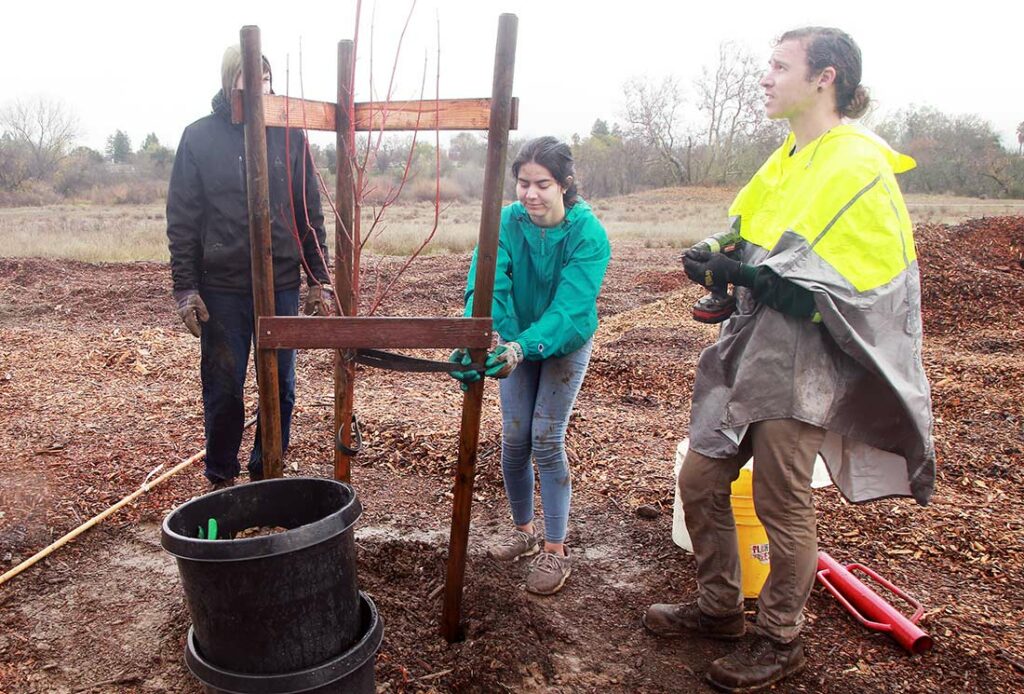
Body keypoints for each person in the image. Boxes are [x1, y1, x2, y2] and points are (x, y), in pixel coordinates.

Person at [643, 27, 935, 692]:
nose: (766, 77)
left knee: (781, 500)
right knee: (699, 480)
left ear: (825, 76)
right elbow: (751, 234)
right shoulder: (788, 158)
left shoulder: (857, 164)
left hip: (806, 363)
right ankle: (720, 609)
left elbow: (855, 294)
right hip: (751, 349)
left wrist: (749, 278)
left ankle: (781, 638)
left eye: (780, 66)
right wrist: (715, 249)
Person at [449, 136, 611, 595]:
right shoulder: (506, 223)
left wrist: (522, 348)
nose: (530, 194)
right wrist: (473, 336)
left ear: (564, 185)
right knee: (515, 436)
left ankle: (556, 550)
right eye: (523, 183)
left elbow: (571, 309)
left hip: (564, 343)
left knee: (545, 435)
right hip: (514, 342)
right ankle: (523, 532)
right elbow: (486, 282)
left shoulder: (588, 234)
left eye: (542, 184)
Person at [167, 45, 332, 489]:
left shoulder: (290, 136)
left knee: (281, 387)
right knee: (224, 388)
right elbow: (183, 220)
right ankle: (221, 478)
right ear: (228, 81)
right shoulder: (199, 138)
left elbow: (308, 214)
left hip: (280, 283)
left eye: (266, 78)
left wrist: (320, 280)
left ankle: (267, 473)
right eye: (248, 78)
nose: (259, 88)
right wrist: (185, 289)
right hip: (222, 287)